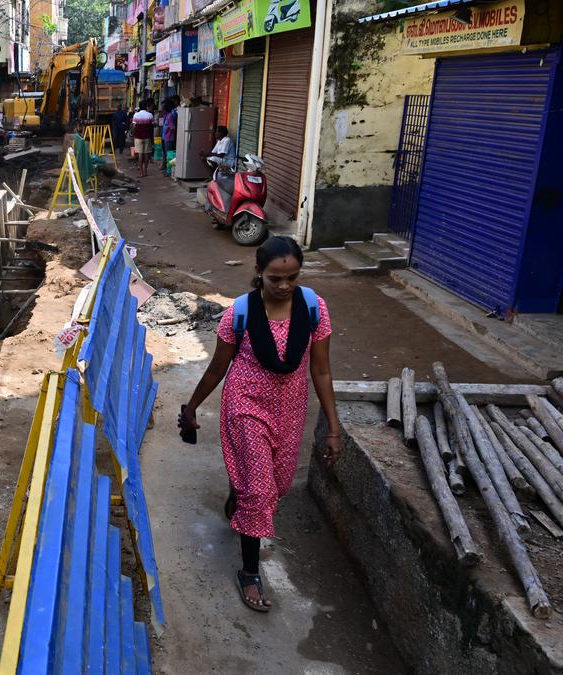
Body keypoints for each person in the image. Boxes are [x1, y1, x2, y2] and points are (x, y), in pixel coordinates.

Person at [177, 236, 341, 613]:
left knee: (276, 485)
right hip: (245, 405)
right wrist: (192, 407)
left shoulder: (315, 309)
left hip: (289, 409)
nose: (284, 286)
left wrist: (333, 428)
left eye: (292, 278)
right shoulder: (240, 312)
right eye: (275, 279)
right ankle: (250, 572)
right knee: (261, 490)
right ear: (258, 274)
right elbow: (218, 366)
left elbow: (321, 369)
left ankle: (240, 494)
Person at [131, 101, 155, 178]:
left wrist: (133, 135)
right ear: (146, 106)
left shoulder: (136, 115)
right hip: (147, 137)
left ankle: (141, 173)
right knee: (146, 154)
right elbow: (153, 126)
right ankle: (145, 171)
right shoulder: (150, 115)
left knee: (140, 154)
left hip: (138, 137)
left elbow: (134, 127)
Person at [161, 100, 178, 176]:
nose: (162, 110)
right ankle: (168, 170)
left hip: (169, 138)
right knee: (168, 155)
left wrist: (172, 135)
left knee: (169, 156)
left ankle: (169, 171)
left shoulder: (170, 116)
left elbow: (172, 128)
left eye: (163, 109)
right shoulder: (167, 115)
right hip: (166, 138)